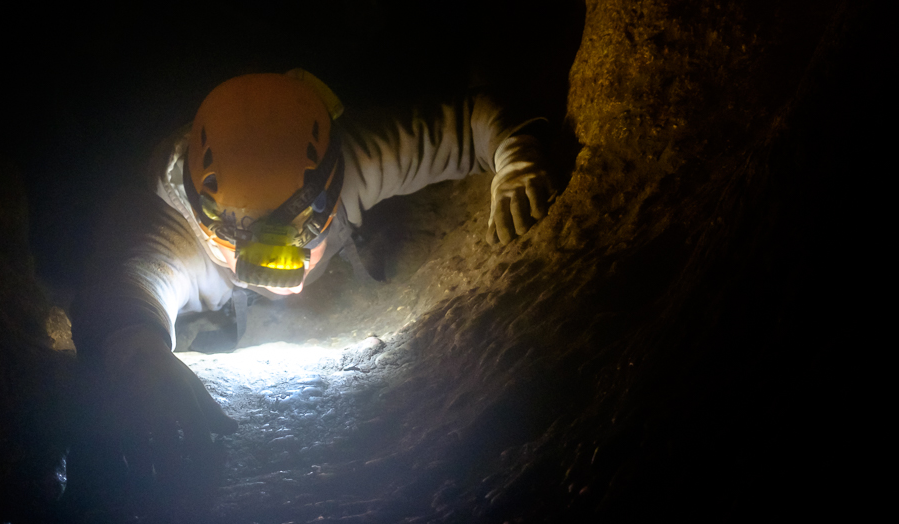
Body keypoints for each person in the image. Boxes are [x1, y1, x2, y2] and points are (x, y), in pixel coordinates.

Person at [70, 70, 555, 467]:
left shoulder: (347, 161)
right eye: (253, 249)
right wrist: (138, 353)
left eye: (301, 237)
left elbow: (470, 122)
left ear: (328, 188)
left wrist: (515, 158)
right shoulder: (167, 223)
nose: (280, 269)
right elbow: (125, 288)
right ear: (206, 219)